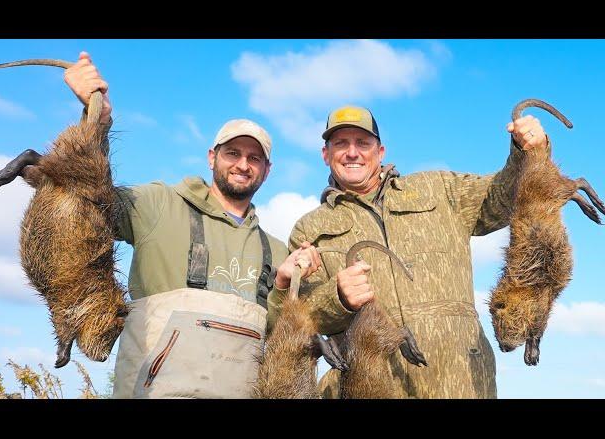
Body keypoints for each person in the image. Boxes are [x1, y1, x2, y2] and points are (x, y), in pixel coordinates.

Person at [64, 52, 320, 398]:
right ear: (212, 156)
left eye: (254, 157)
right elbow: (88, 204)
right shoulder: (158, 204)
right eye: (232, 153)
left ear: (266, 170)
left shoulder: (275, 250)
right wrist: (96, 121)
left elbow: (275, 337)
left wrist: (284, 285)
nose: (243, 164)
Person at [288, 104, 548, 398]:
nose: (352, 152)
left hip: (461, 381)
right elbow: (300, 319)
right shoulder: (309, 229)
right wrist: (338, 297)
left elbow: (502, 199)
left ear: (380, 151)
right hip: (369, 386)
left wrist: (525, 151)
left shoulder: (438, 189)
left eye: (363, 143)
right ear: (326, 154)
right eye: (341, 144)